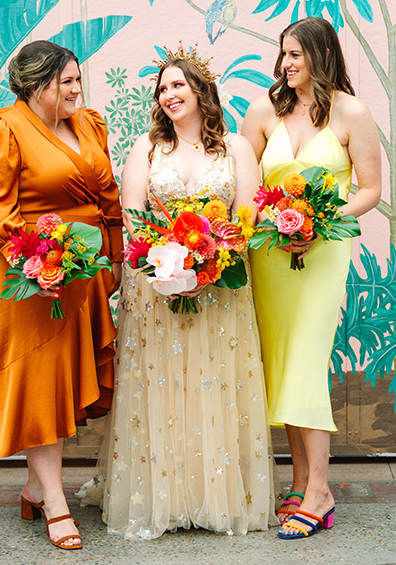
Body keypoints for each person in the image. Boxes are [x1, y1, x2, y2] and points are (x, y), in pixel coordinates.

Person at [78, 43, 280, 540]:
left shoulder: (234, 148)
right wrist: (160, 270)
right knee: (163, 384)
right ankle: (162, 498)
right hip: (156, 290)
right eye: (162, 88)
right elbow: (133, 222)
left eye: (177, 85)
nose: (169, 95)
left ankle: (216, 498)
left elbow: (246, 218)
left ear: (200, 90)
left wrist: (213, 262)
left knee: (215, 382)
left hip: (221, 289)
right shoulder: (145, 151)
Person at [0, 41, 123, 550]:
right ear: (35, 86)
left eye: (77, 79)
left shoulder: (90, 125)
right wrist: (36, 263)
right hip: (28, 277)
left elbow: (108, 195)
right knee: (37, 385)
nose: (77, 89)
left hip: (83, 272)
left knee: (63, 384)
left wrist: (113, 258)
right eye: (66, 82)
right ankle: (54, 500)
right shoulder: (0, 131)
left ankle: (34, 487)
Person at [241, 17, 381, 539]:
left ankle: (319, 490)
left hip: (324, 254)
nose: (286, 64)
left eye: (296, 54)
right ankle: (300, 482)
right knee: (282, 363)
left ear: (322, 55)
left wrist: (323, 221)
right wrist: (265, 221)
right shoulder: (263, 110)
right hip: (272, 257)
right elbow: (246, 182)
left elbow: (370, 187)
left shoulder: (352, 112)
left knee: (305, 361)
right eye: (283, 55)